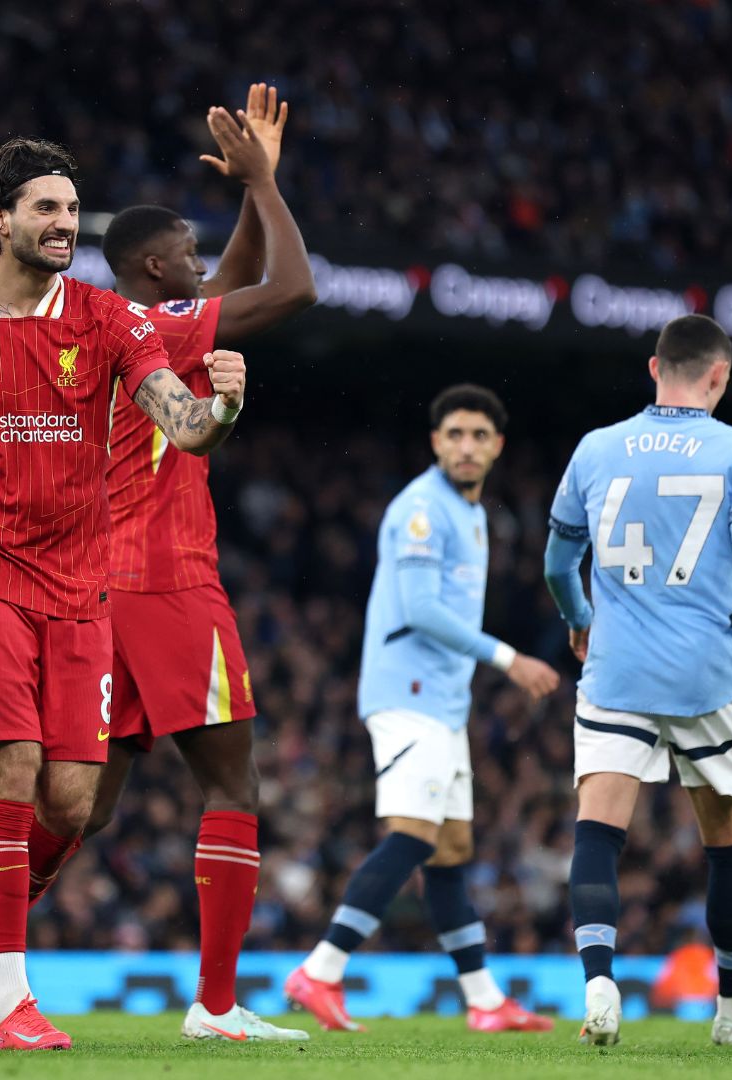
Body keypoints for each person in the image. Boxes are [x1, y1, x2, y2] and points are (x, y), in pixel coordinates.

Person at [0, 137, 246, 1051]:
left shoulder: (110, 320)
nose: (65, 225)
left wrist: (221, 407)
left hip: (80, 584)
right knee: (10, 770)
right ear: (0, 221)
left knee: (70, 804)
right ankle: (18, 998)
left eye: (72, 210)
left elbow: (181, 428)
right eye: (46, 209)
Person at [16, 83, 315, 1043]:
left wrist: (252, 192)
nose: (201, 264)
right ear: (155, 266)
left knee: (86, 808)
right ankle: (218, 1006)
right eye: (185, 252)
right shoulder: (146, 331)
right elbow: (292, 287)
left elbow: (227, 279)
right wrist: (267, 185)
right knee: (233, 787)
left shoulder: (116, 324)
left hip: (102, 583)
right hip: (168, 577)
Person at [542, 314, 732, 1048]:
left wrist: (578, 616)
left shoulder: (595, 449)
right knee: (729, 844)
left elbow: (558, 565)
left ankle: (599, 986)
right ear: (720, 376)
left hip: (616, 671)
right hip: (708, 680)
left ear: (654, 369)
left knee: (597, 831)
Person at [285, 385, 558, 1035]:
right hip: (407, 695)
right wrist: (508, 659)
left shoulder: (475, 514)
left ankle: (484, 999)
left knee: (451, 847)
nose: (467, 446)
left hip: (443, 700)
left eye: (479, 436)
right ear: (436, 441)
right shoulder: (420, 510)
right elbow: (420, 610)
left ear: (497, 446)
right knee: (414, 833)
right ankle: (320, 970)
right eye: (455, 434)